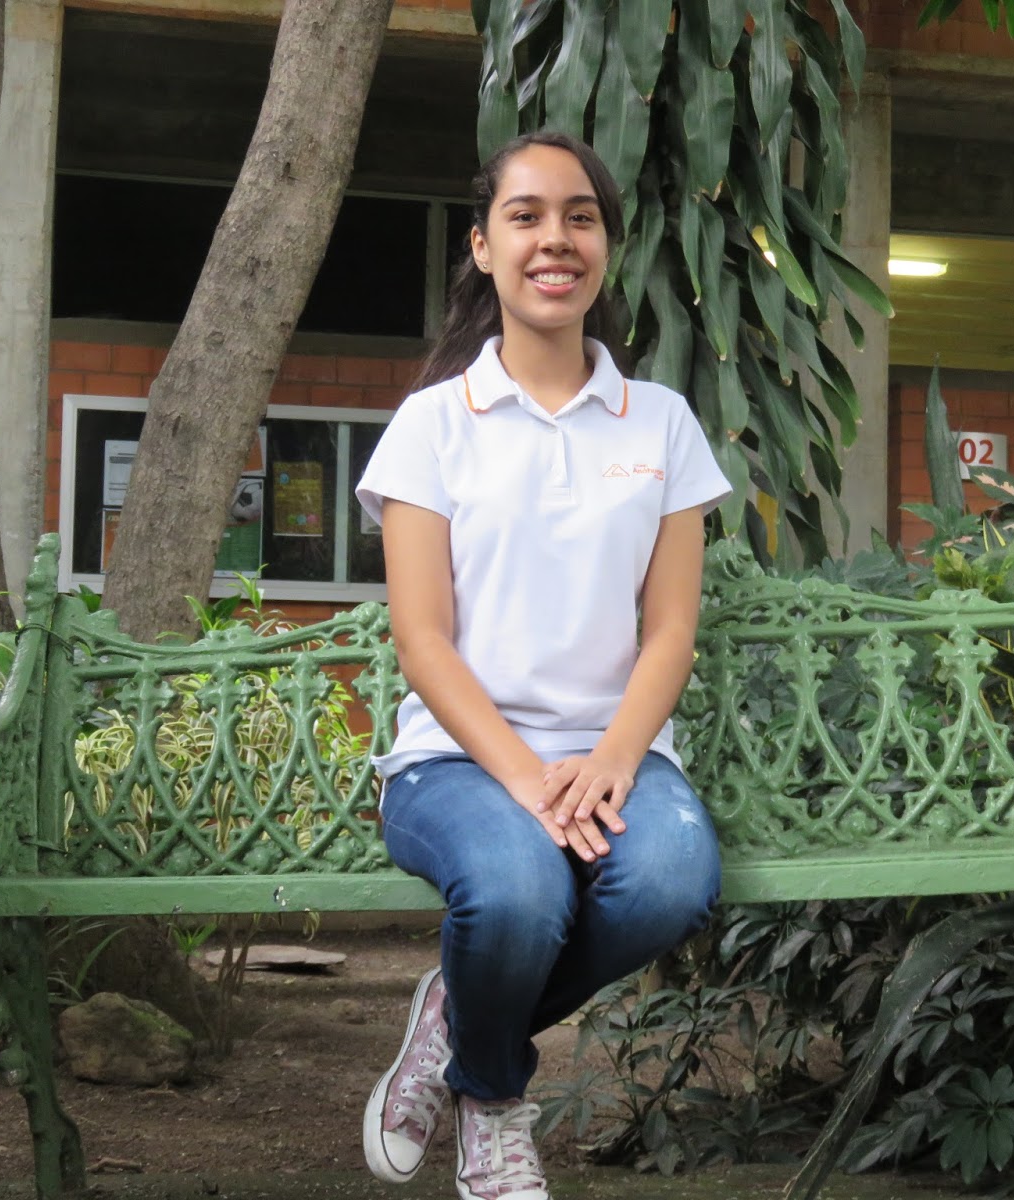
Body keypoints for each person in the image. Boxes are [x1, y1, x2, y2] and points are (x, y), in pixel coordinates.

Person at [354, 130, 730, 1200]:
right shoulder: (433, 425)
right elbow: (423, 639)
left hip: (616, 757)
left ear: (605, 245)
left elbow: (668, 631)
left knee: (668, 882)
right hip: (459, 764)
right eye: (524, 217)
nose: (553, 239)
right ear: (482, 246)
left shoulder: (658, 423)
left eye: (579, 215)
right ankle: (499, 1101)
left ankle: (459, 1028)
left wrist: (611, 761)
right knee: (515, 894)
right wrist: (529, 783)